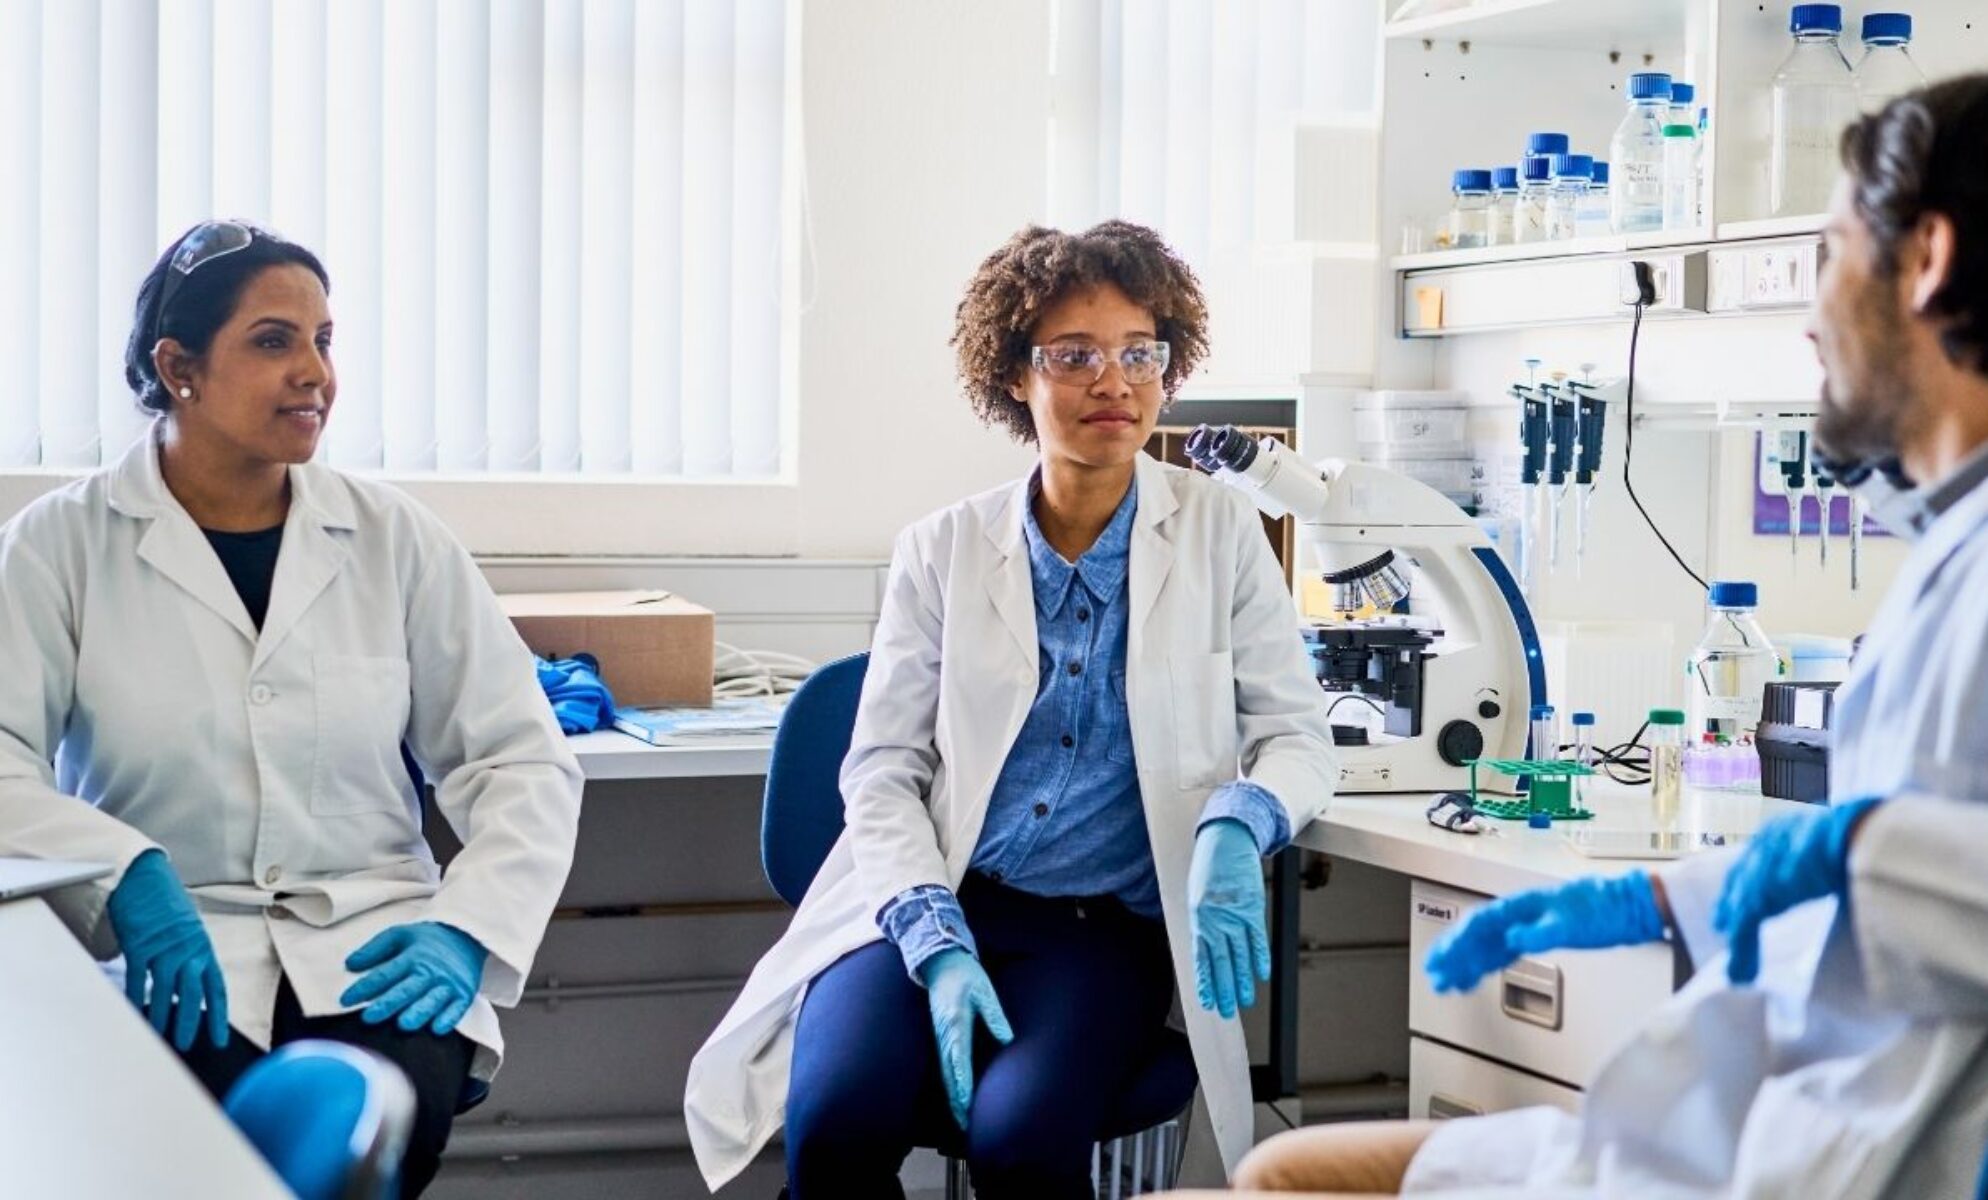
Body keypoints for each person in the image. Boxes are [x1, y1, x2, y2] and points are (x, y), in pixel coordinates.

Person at [1164, 73, 1988, 1200]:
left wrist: (1838, 854)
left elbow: (1921, 892)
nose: (1806, 315)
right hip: (1759, 1118)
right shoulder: (1949, 547)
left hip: (1821, 1153)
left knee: (1281, 1181)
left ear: (1925, 258)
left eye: (1827, 257)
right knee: (1284, 1168)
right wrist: (1679, 896)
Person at [686, 220, 1338, 1195]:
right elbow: (881, 771)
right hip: (930, 906)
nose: (1111, 382)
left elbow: (1295, 733)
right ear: (1013, 376)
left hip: (1095, 932)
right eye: (1072, 356)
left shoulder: (1219, 531)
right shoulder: (941, 548)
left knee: (1022, 1141)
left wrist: (1238, 825)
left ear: (1168, 368)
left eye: (1138, 354)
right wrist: (932, 937)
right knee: (832, 1124)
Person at [0, 222, 583, 1194]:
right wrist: (122, 871)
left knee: (359, 1146)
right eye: (274, 341)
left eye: (323, 340)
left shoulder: (395, 537)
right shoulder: (56, 548)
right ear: (177, 366)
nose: (315, 371)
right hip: (170, 964)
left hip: (378, 954)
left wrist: (465, 929)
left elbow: (518, 759)